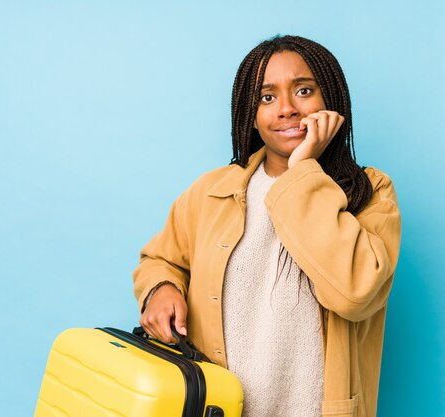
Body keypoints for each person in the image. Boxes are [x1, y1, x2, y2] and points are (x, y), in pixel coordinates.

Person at [133, 35, 401, 417]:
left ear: (332, 102)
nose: (287, 109)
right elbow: (160, 259)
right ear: (250, 114)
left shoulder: (371, 193)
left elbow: (355, 293)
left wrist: (304, 169)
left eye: (304, 90)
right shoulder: (212, 191)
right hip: (219, 407)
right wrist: (160, 289)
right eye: (267, 97)